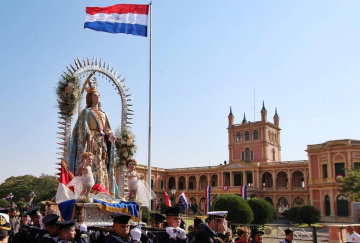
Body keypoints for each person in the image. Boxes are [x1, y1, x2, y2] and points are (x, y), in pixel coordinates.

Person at [69, 77, 117, 193]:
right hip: (90, 142)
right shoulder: (87, 112)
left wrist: (110, 134)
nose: (97, 97)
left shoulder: (104, 113)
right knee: (91, 164)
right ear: (90, 98)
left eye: (98, 95)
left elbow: (107, 129)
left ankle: (102, 188)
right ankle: (89, 189)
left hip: (101, 143)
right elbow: (82, 126)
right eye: (94, 95)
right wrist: (88, 134)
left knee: (101, 164)